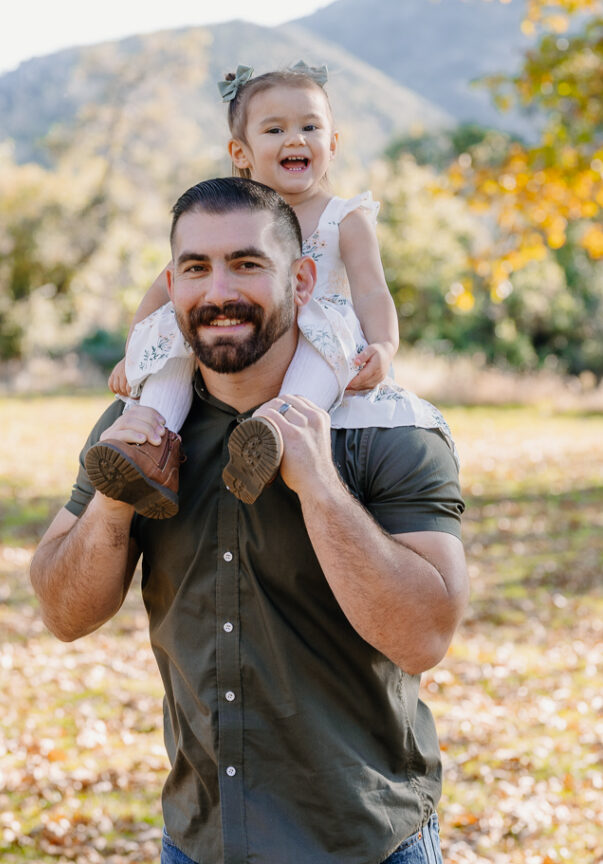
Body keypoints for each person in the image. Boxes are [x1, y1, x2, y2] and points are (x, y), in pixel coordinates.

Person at [30, 177, 468, 864]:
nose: (217, 291)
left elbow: (423, 637)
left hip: (366, 843)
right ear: (170, 285)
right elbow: (63, 612)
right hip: (202, 842)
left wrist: (318, 486)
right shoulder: (141, 427)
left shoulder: (389, 427)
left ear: (302, 281)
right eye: (195, 268)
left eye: (247, 264)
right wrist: (115, 500)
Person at [85, 63, 446, 519]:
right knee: (178, 342)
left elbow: (374, 292)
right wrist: (135, 353)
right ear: (241, 152)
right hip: (238, 326)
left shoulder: (344, 218)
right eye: (275, 129)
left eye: (310, 126)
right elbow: (168, 286)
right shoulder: (223, 218)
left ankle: (272, 440)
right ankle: (150, 451)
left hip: (319, 333)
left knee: (321, 353)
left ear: (332, 145)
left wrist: (384, 345)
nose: (295, 139)